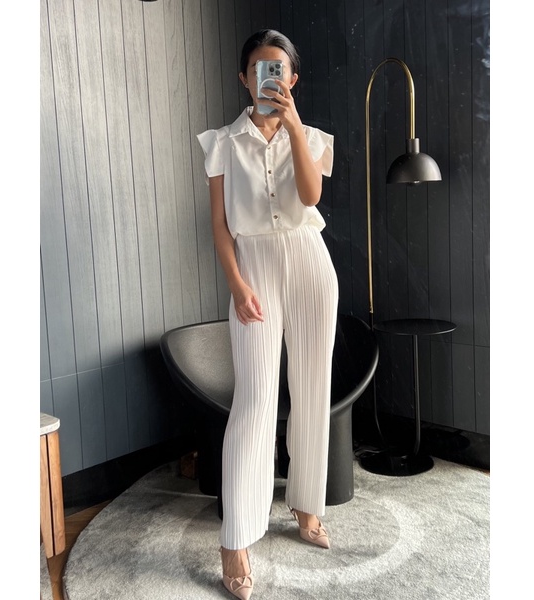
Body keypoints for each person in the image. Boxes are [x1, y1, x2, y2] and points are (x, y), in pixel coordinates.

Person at [196, 29, 338, 600]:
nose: (270, 78)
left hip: (310, 263)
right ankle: (235, 541)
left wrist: (295, 127)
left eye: (279, 69)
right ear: (244, 77)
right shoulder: (221, 143)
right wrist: (236, 284)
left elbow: (311, 196)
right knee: (255, 402)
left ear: (293, 79)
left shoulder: (314, 137)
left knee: (313, 388)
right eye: (260, 68)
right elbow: (219, 225)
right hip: (252, 267)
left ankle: (306, 505)